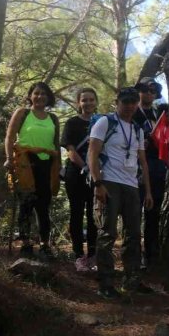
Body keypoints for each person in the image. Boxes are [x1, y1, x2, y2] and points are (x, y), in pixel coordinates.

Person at [87, 86, 153, 298]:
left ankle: (132, 279)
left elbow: (142, 161)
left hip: (132, 185)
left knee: (134, 234)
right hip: (109, 181)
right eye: (126, 102)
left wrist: (149, 192)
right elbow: (93, 153)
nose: (130, 106)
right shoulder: (105, 122)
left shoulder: (137, 129)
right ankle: (105, 283)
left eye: (133, 102)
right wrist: (98, 184)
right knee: (107, 233)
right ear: (117, 102)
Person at [4, 82, 61, 257]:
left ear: (48, 97)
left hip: (46, 163)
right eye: (36, 93)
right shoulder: (23, 113)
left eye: (43, 94)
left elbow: (56, 144)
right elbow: (10, 136)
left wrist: (59, 167)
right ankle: (26, 243)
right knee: (26, 204)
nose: (40, 97)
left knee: (44, 205)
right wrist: (9, 159)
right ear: (30, 96)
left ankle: (45, 244)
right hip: (24, 163)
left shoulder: (53, 119)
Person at [62, 87, 99, 271]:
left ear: (96, 101)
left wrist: (95, 171)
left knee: (94, 215)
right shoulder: (71, 123)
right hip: (76, 174)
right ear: (79, 103)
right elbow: (70, 150)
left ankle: (92, 255)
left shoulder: (102, 122)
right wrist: (85, 167)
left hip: (96, 176)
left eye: (91, 99)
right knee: (76, 213)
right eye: (84, 100)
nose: (88, 103)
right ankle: (78, 255)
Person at [133, 77, 167, 269]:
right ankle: (134, 255)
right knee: (134, 212)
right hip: (135, 165)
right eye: (145, 90)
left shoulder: (159, 113)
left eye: (153, 91)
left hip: (156, 165)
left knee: (153, 212)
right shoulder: (131, 111)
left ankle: (151, 255)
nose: (149, 93)